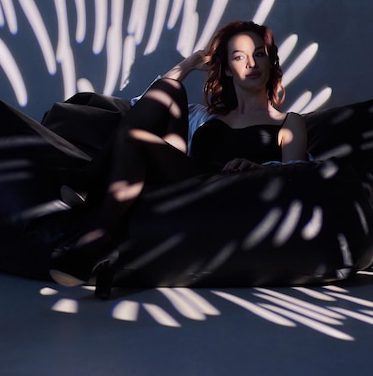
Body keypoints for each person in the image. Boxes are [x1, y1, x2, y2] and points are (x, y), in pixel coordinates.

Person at [49, 20, 307, 288]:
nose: (251, 63)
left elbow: (301, 176)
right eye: (238, 57)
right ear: (227, 70)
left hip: (226, 195)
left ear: (270, 62)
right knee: (168, 90)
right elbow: (142, 107)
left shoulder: (288, 122)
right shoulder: (204, 115)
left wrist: (258, 167)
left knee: (133, 138)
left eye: (259, 54)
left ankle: (94, 218)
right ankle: (92, 198)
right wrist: (189, 64)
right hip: (184, 182)